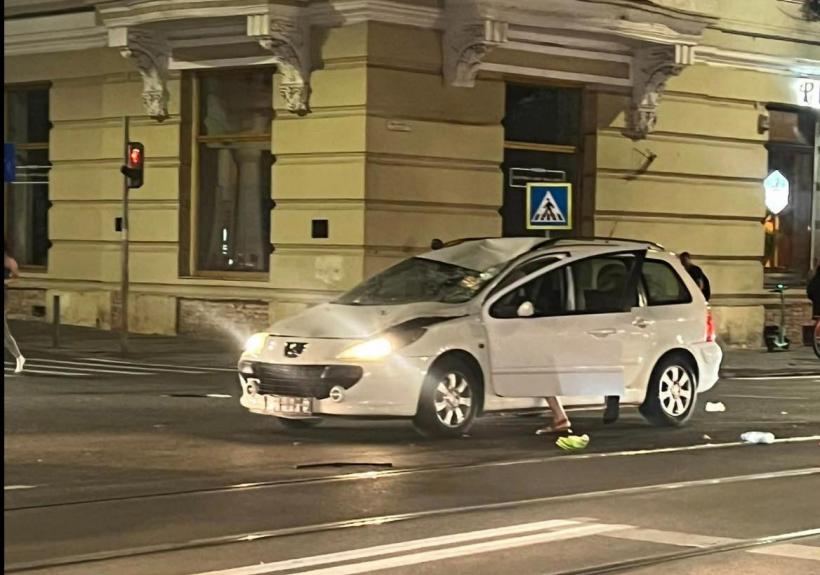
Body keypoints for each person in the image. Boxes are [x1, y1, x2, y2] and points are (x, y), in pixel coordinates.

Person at [4, 241, 25, 373]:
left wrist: (6, 281)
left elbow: (16, 278)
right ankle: (19, 357)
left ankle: (19, 357)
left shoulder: (10, 262)